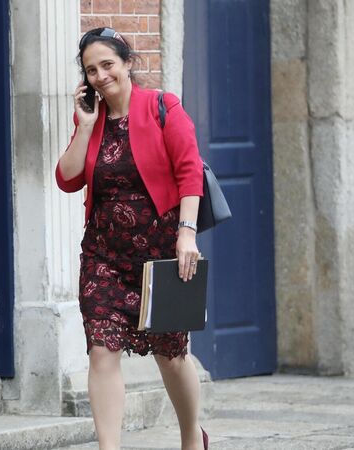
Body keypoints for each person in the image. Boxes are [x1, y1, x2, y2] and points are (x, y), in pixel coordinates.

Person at [55, 27, 208, 450]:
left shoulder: (162, 106)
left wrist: (187, 234)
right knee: (101, 351)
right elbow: (67, 179)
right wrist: (85, 127)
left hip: (161, 254)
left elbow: (189, 172)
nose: (101, 76)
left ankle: (192, 437)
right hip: (103, 255)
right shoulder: (90, 119)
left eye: (108, 64)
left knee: (171, 356)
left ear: (126, 63)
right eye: (91, 70)